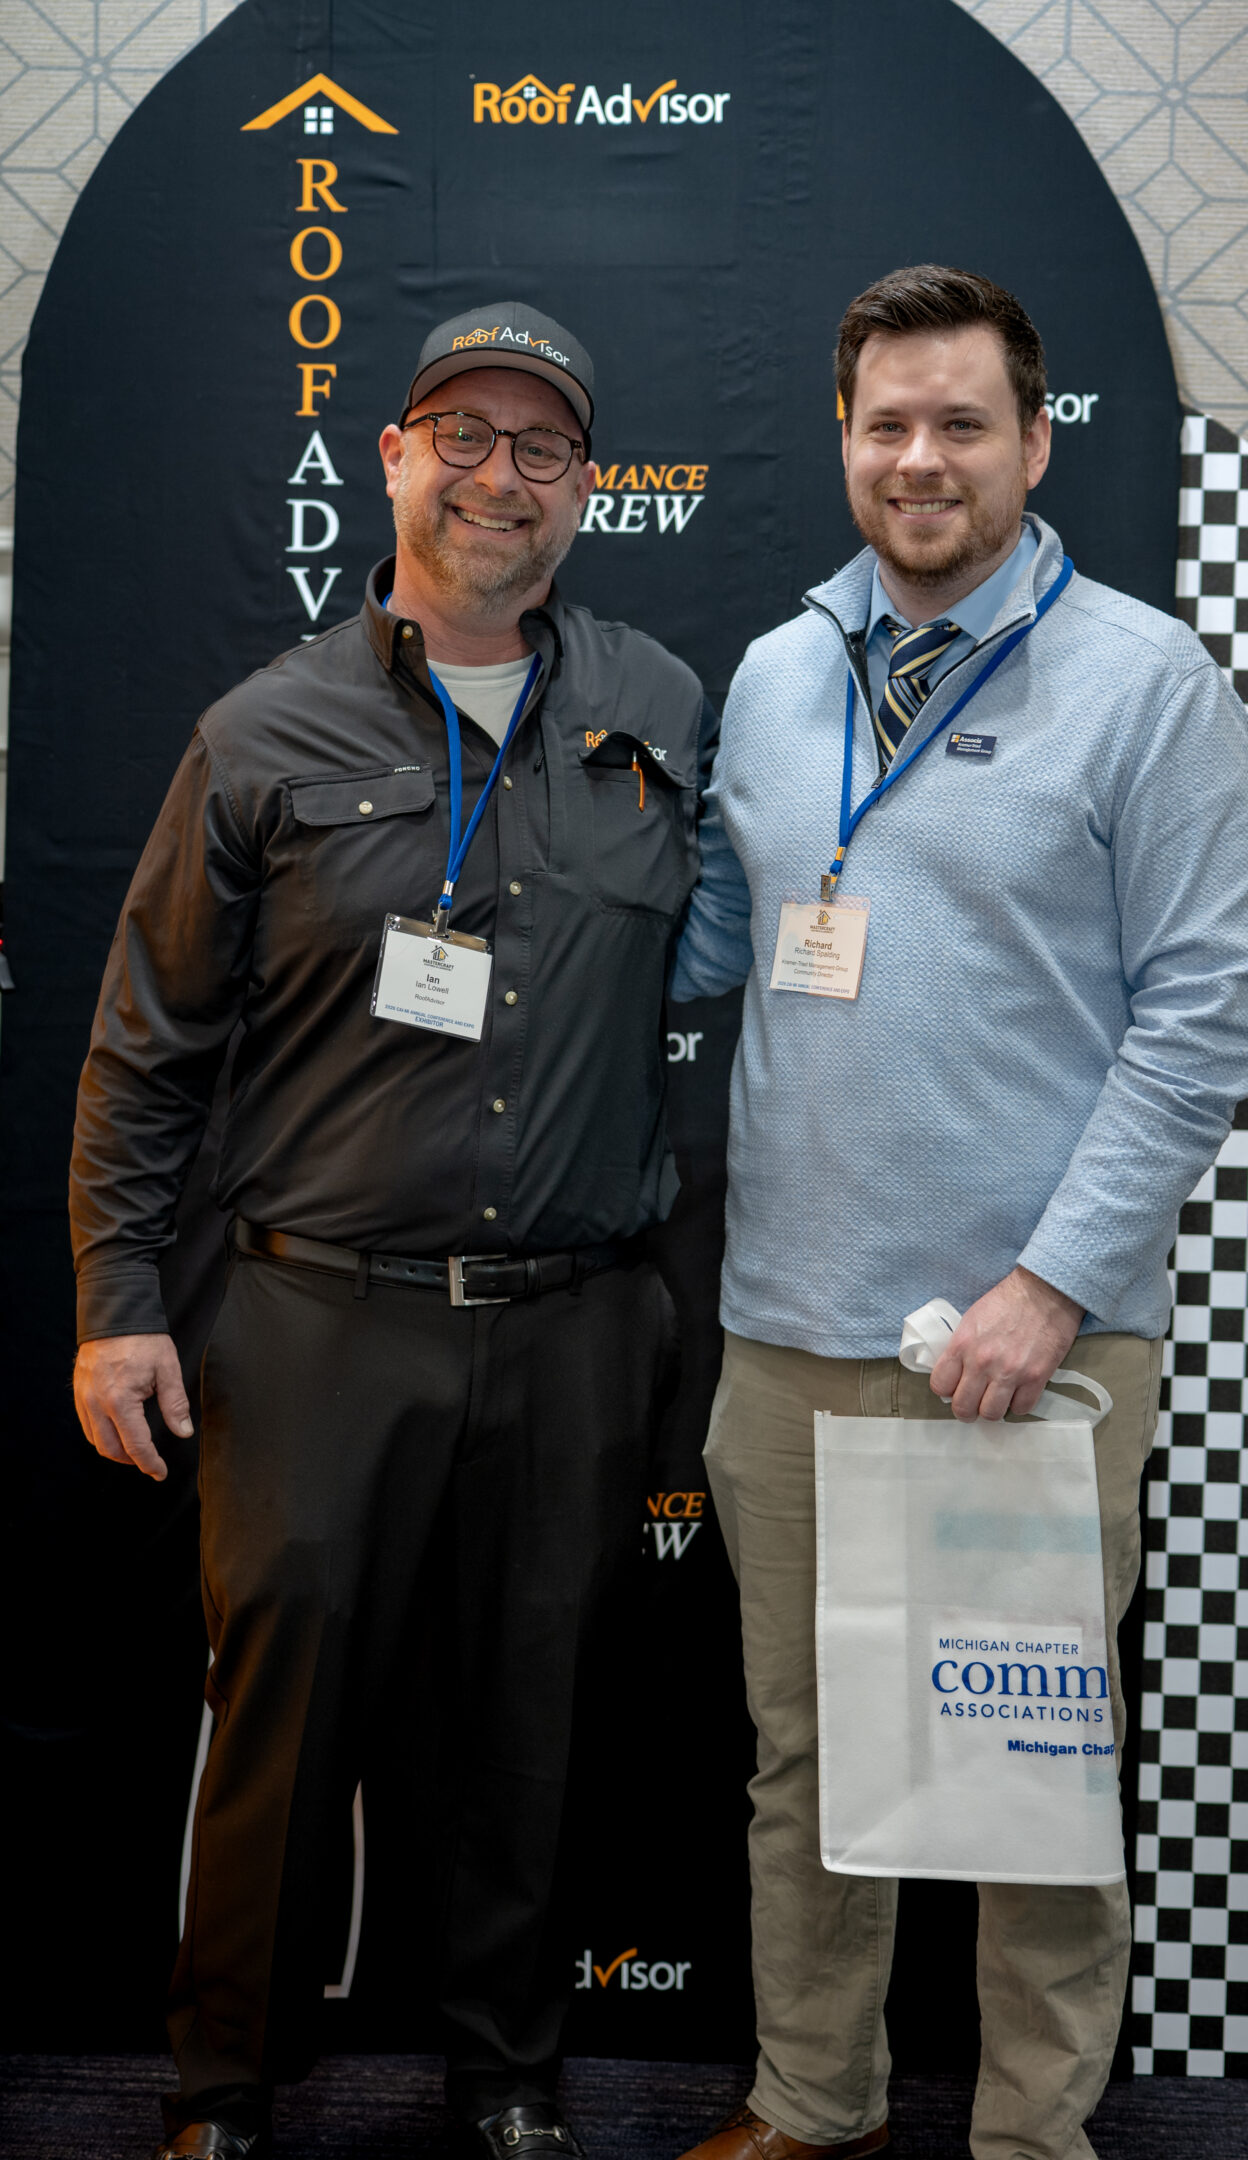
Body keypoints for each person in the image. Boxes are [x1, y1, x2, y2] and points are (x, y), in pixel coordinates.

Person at [70, 301, 712, 2160]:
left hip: (579, 1320)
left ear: (588, 486)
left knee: (532, 1719)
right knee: (282, 1725)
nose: (500, 475)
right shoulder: (264, 730)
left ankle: (509, 2075)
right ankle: (220, 2088)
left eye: (543, 448)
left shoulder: (661, 709)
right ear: (395, 458)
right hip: (315, 1323)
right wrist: (120, 1307)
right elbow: (144, 1042)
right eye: (465, 434)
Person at [669, 265, 1248, 2160]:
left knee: (1025, 1781)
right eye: (885, 425)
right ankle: (813, 2099)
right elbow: (708, 941)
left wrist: (1048, 1284)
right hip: (786, 1330)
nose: (918, 459)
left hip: (1032, 1346)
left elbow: (1205, 1020)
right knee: (807, 1759)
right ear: (844, 442)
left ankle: (1031, 2135)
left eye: (960, 424)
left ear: (1031, 438)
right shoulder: (778, 675)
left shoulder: (1146, 679)